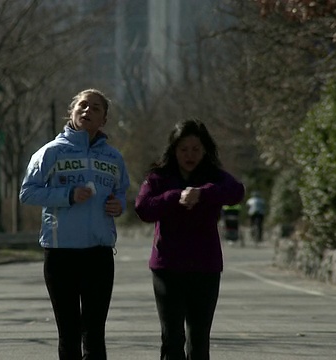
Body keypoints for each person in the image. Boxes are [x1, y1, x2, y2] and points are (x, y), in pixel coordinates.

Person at [19, 88, 130, 360]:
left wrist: (119, 205)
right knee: (69, 333)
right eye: (82, 105)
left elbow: (122, 193)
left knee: (94, 333)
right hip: (61, 254)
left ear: (104, 119)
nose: (87, 111)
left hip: (99, 254)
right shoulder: (50, 152)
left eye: (95, 108)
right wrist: (67, 196)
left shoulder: (113, 157)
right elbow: (27, 192)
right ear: (71, 112)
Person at [134, 119, 245, 360]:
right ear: (173, 150)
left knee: (199, 339)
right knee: (172, 337)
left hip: (205, 267)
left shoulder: (214, 177)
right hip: (168, 268)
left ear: (205, 150)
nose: (190, 155)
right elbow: (143, 208)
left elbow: (237, 192)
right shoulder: (159, 177)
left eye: (196, 149)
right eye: (184, 149)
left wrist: (203, 193)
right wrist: (175, 197)